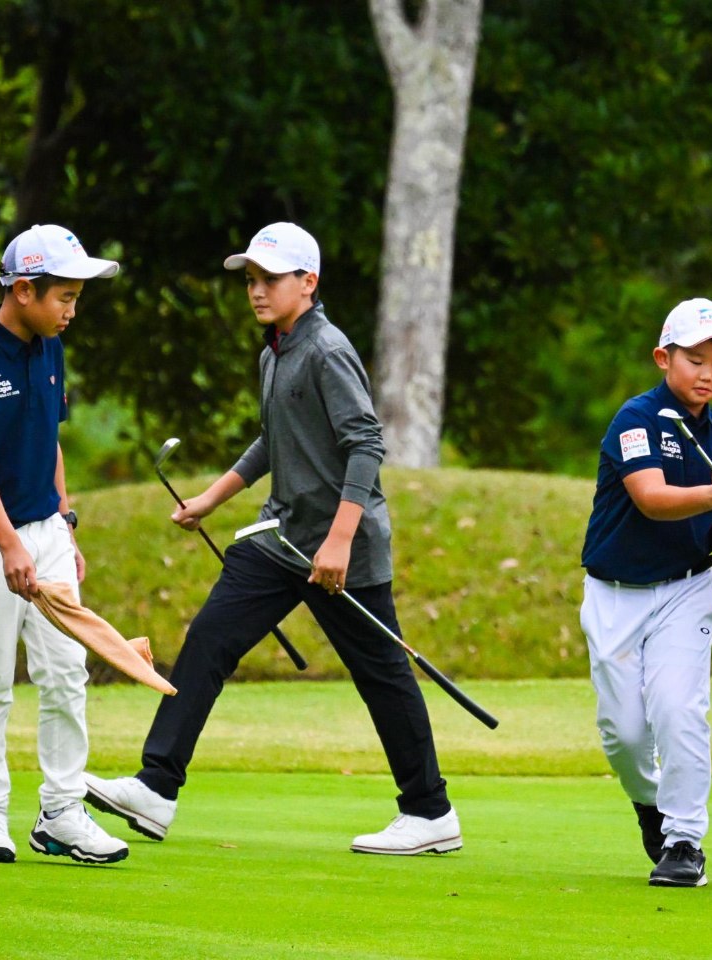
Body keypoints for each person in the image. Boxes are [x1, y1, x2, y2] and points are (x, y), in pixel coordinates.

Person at [82, 222, 460, 855]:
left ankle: (430, 812)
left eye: (270, 279)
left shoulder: (327, 350)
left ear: (308, 282)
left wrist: (339, 541)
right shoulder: (275, 352)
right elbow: (273, 440)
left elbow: (366, 444)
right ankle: (156, 787)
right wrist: (210, 498)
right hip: (280, 539)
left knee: (382, 675)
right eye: (251, 279)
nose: (256, 290)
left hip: (341, 547)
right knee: (210, 638)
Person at [0, 223, 129, 865]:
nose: (72, 311)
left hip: (47, 534)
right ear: (23, 290)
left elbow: (51, 442)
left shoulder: (51, 348)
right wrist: (9, 545)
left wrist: (64, 523)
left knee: (67, 673)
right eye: (64, 297)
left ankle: (62, 812)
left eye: (76, 298)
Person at [579, 298, 712, 888]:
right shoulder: (636, 419)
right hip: (614, 593)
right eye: (695, 360)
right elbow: (651, 499)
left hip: (685, 590)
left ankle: (684, 841)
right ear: (663, 358)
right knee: (624, 733)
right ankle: (650, 805)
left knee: (679, 710)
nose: (708, 374)